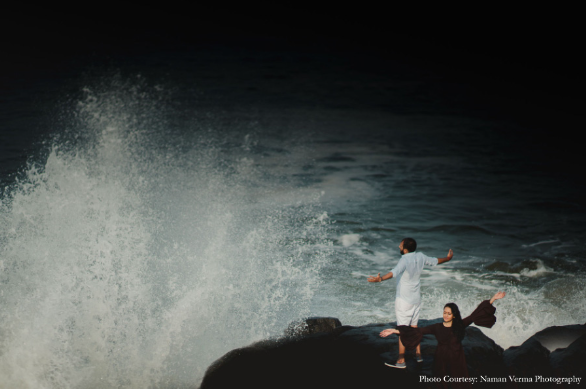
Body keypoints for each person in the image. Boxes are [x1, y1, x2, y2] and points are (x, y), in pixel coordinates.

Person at [380, 292, 506, 388]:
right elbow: (418, 331)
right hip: (441, 359)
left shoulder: (460, 325)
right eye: (444, 312)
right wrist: (395, 330)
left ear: (454, 315)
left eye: (449, 313)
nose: (445, 315)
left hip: (457, 359)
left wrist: (493, 299)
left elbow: (476, 314)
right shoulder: (437, 327)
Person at [367, 237, 453, 367]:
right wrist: (447, 258)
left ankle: (401, 360)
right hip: (416, 300)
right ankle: (418, 355)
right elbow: (435, 261)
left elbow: (394, 272)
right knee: (413, 328)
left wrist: (380, 279)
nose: (399, 247)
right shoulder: (421, 256)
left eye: (400, 246)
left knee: (403, 330)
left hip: (404, 300)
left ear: (405, 249)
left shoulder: (404, 259)